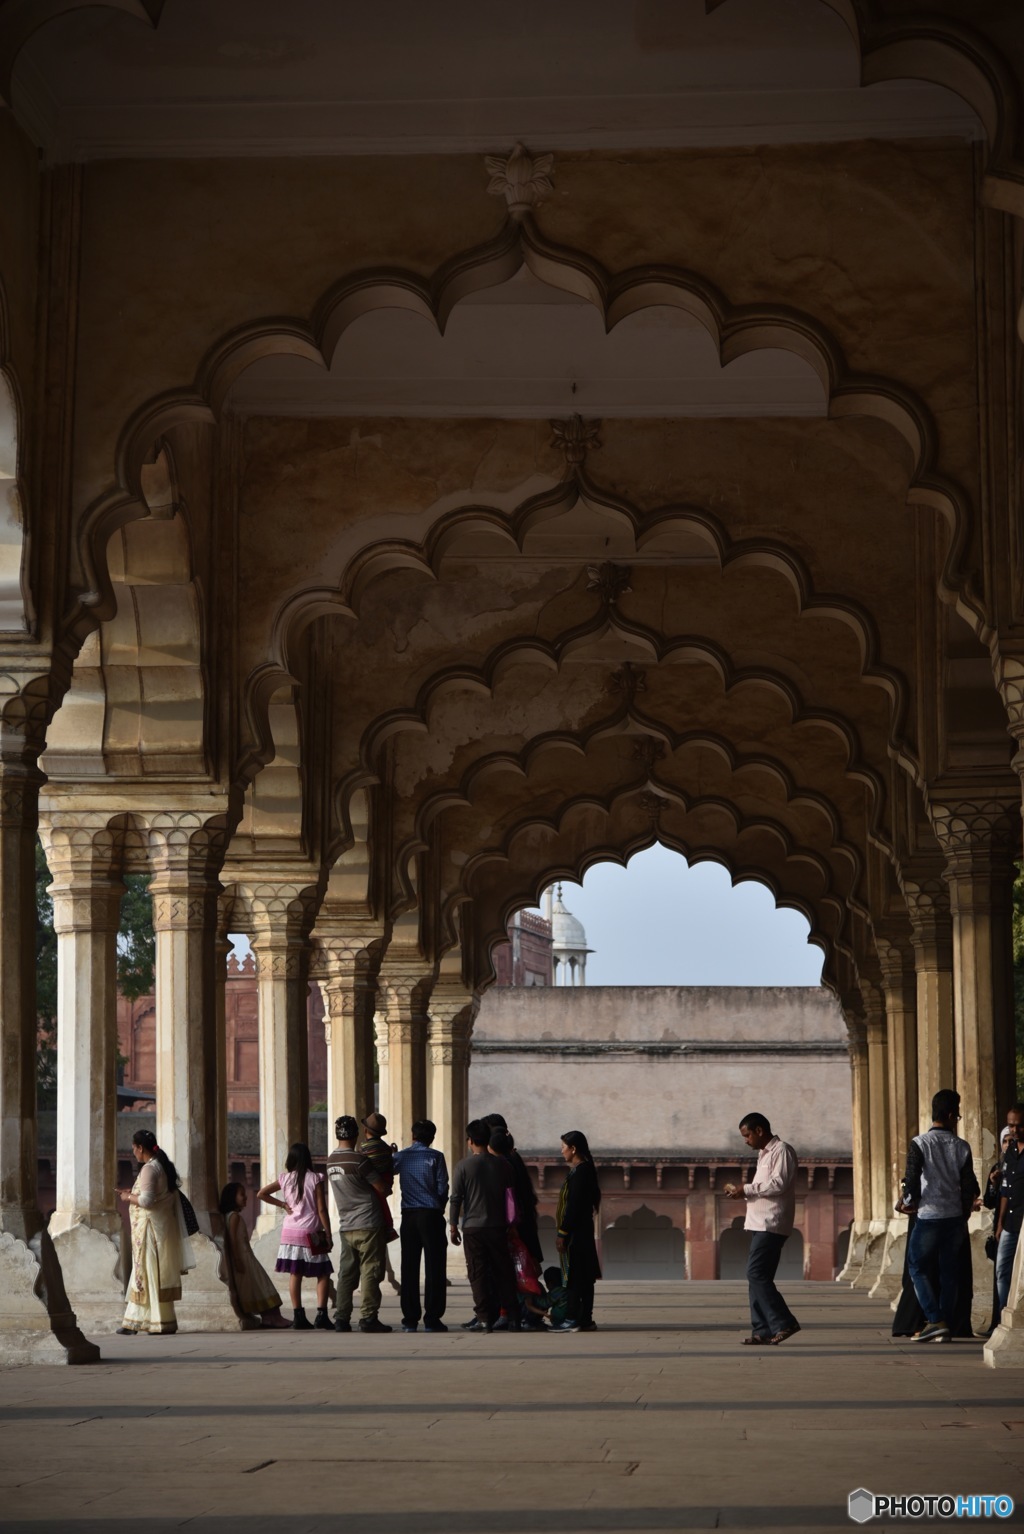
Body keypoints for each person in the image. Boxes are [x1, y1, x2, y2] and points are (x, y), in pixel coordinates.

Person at [900, 1088, 980, 1343]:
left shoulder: (920, 1143)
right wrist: (964, 1211)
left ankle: (935, 1319)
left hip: (929, 1216)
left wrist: (907, 1203)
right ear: (948, 1114)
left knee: (917, 1267)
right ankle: (944, 1322)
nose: (957, 1118)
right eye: (956, 1115)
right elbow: (971, 1188)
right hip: (954, 1217)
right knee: (949, 1273)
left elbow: (911, 1182)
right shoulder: (962, 1146)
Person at [725, 1111, 800, 1346]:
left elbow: (778, 1184)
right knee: (757, 1277)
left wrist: (746, 1189)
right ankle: (762, 1330)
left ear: (759, 1130)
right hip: (760, 1223)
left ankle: (783, 1322)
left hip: (772, 1223)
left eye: (747, 1135)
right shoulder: (764, 1154)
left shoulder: (782, 1151)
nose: (746, 1140)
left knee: (756, 1274)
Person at [116, 1129, 196, 1335]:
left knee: (148, 1274)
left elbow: (146, 1201)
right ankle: (140, 1321)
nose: (133, 1152)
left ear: (140, 1148)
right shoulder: (161, 1167)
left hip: (150, 1231)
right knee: (147, 1274)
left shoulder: (149, 1169)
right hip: (157, 1229)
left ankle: (149, 1322)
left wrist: (127, 1198)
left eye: (134, 1148)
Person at [449, 1119, 520, 1332]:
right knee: (503, 1272)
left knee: (477, 1273)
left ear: (470, 1141)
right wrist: (513, 1223)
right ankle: (513, 1316)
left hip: (473, 1227)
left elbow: (456, 1198)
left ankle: (484, 1318)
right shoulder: (503, 1165)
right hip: (498, 1226)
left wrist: (453, 1226)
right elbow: (511, 1197)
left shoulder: (463, 1166)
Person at [326, 1114, 391, 1334]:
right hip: (369, 1222)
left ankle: (342, 1318)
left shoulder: (330, 1161)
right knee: (371, 1271)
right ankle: (368, 1318)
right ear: (356, 1135)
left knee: (346, 1273)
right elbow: (381, 1187)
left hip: (346, 1225)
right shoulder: (359, 1161)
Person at [258, 1142, 333, 1331]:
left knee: (295, 1273)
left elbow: (261, 1193)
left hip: (290, 1232)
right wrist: (329, 1233)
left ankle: (298, 1316)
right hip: (311, 1232)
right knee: (323, 1273)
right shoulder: (316, 1178)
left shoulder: (285, 1179)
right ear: (308, 1159)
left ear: (290, 1160)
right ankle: (321, 1315)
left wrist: (283, 1205)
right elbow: (322, 1209)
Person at [394, 1118, 449, 1333]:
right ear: (432, 1138)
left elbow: (386, 1170)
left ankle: (410, 1319)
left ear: (413, 1136)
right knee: (435, 1267)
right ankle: (432, 1318)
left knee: (409, 1267)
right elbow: (442, 1187)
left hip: (409, 1216)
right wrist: (439, 1206)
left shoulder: (400, 1157)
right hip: (431, 1215)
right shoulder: (436, 1157)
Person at [218, 1182, 290, 1328]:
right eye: (241, 1195)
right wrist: (238, 1259)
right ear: (232, 1198)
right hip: (243, 1259)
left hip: (246, 1257)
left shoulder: (231, 1216)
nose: (245, 1197)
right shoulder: (234, 1217)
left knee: (260, 1285)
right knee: (261, 1286)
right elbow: (232, 1239)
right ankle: (272, 1317)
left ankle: (270, 1318)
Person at [555, 1130, 602, 1332]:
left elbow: (573, 1206)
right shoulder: (583, 1169)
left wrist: (563, 1233)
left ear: (573, 1149)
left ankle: (574, 1318)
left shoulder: (581, 1172)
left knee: (575, 1277)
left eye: (564, 1148)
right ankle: (585, 1319)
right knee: (583, 1278)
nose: (562, 1152)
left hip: (576, 1233)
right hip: (582, 1231)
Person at [483, 1112, 543, 1266]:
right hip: (520, 1219)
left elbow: (510, 1197)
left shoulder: (502, 1163)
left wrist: (511, 1224)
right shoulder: (513, 1158)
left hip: (512, 1223)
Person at [991, 1102, 1024, 1318]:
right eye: (1011, 1126)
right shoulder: (1010, 1151)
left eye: (1019, 1126)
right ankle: (1004, 1314)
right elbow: (1005, 1190)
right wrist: (1000, 1223)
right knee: (1002, 1269)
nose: (1014, 1130)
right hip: (1010, 1222)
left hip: (1023, 1221)